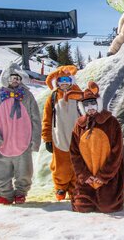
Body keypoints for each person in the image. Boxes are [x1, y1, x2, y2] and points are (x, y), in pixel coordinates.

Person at [0, 63, 41, 205]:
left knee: (24, 171)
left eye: (18, 78)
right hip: (3, 141)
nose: (15, 80)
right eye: (12, 78)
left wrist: (34, 139)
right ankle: (4, 195)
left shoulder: (27, 96)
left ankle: (21, 193)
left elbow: (35, 118)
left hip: (23, 141)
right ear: (5, 78)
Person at [66, 82, 124, 213]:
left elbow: (117, 152)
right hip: (87, 177)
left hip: (107, 177)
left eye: (93, 103)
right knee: (81, 207)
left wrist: (103, 176)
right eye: (86, 104)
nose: (90, 107)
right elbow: (75, 153)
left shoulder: (111, 122)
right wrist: (84, 175)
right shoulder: (79, 125)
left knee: (108, 207)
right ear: (82, 107)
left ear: (98, 103)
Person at [41, 65, 82, 201]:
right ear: (57, 82)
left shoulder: (78, 95)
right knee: (61, 166)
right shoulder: (52, 98)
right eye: (61, 80)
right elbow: (47, 119)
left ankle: (75, 189)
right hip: (59, 137)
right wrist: (47, 138)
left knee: (77, 164)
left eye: (67, 80)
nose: (64, 83)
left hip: (77, 137)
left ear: (71, 81)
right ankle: (60, 187)